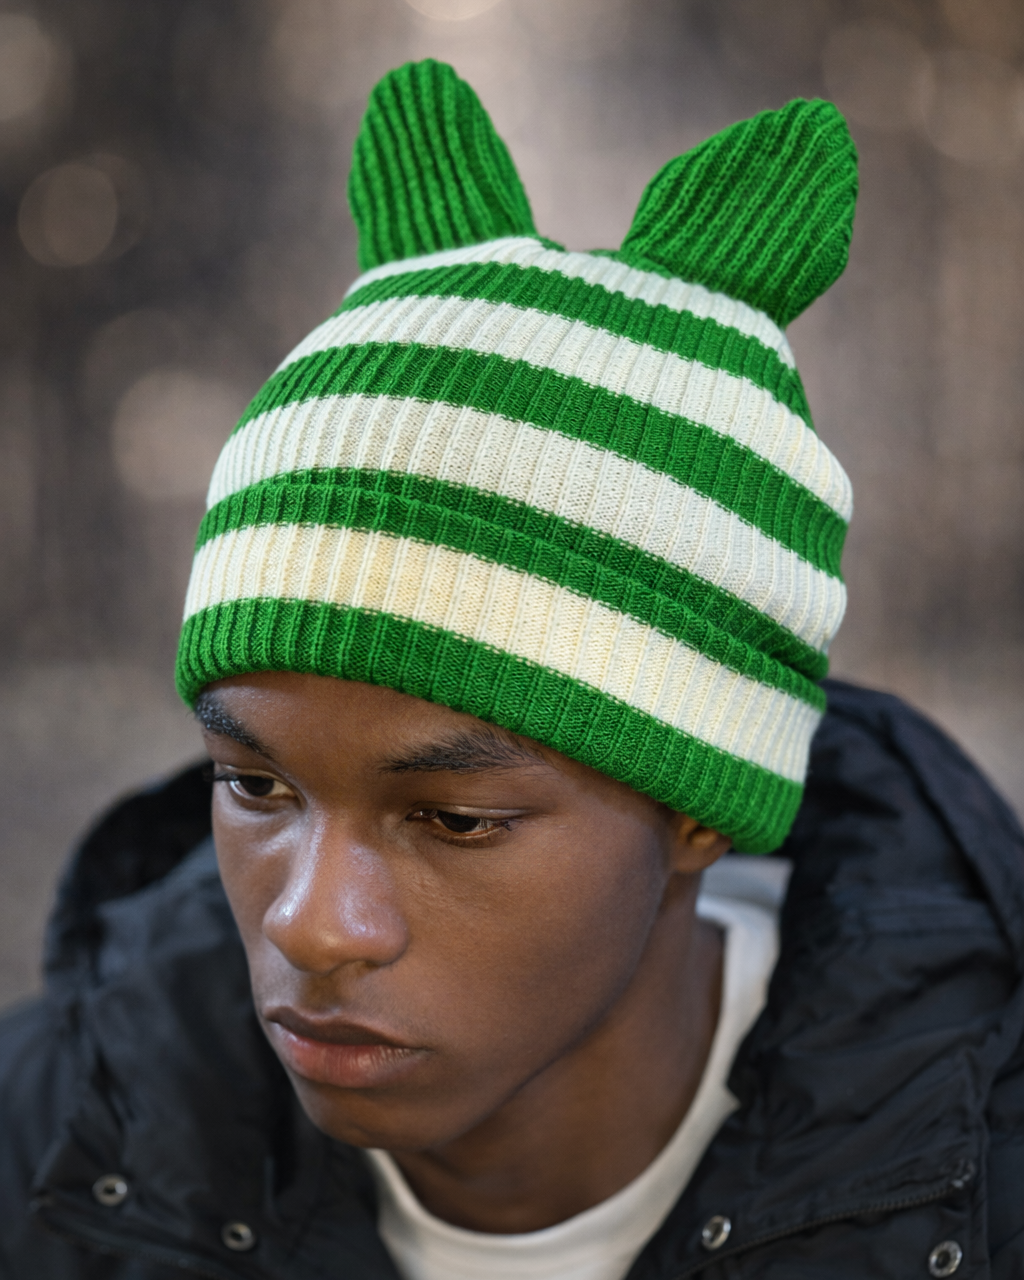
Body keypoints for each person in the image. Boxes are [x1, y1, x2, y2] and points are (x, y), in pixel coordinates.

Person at [1, 58, 1022, 1280]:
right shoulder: (44, 1139)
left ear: (699, 808)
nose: (312, 921)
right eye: (256, 786)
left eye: (455, 816)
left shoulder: (989, 1177)